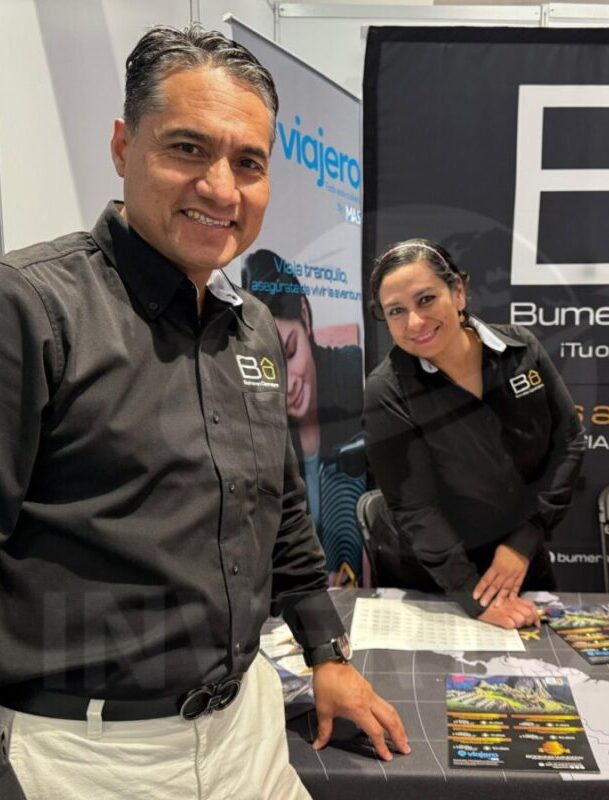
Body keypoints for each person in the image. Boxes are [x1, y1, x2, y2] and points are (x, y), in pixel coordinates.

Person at [0, 24, 408, 800]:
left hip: (246, 731)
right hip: (85, 756)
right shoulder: (29, 308)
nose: (222, 189)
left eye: (248, 163)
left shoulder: (251, 325)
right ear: (123, 147)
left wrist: (328, 653)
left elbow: (281, 510)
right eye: (188, 149)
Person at [363, 239, 586, 630]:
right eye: (396, 311)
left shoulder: (522, 350)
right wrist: (473, 595)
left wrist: (523, 541)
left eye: (426, 299)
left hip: (522, 564)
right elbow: (416, 508)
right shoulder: (387, 390)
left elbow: (568, 443)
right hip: (440, 582)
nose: (414, 322)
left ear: (458, 293)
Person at [242, 251, 366, 582]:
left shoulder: (351, 373)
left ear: (306, 319)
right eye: (271, 367)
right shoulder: (259, 418)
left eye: (291, 351)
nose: (287, 384)